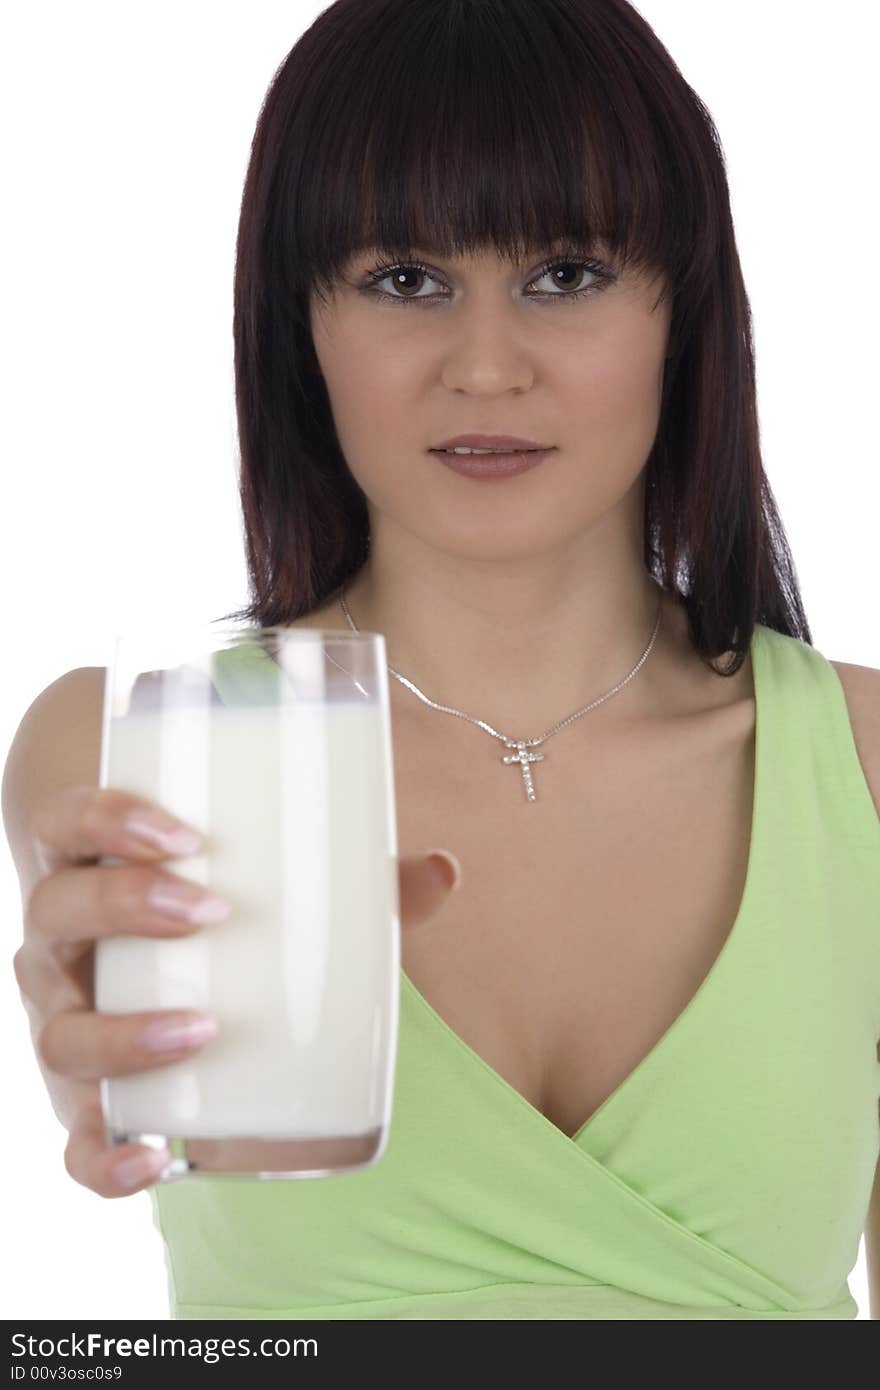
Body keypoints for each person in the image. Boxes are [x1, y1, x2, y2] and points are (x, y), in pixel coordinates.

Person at [4, 0, 880, 1321]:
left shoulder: (863, 764)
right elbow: (100, 1058)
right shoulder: (139, 749)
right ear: (299, 320)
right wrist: (98, 1069)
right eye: (403, 280)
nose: (484, 368)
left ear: (680, 311)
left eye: (567, 274)